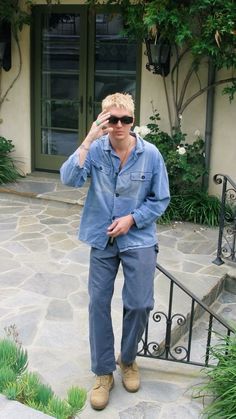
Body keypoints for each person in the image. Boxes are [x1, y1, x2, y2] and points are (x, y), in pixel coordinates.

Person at [60, 93, 170, 410]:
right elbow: (69, 179)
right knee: (97, 303)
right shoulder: (95, 150)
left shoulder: (150, 155)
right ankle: (103, 372)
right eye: (112, 119)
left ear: (133, 121)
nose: (119, 125)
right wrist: (89, 137)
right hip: (101, 236)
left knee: (139, 303)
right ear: (104, 119)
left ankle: (129, 359)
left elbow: (160, 199)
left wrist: (132, 219)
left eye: (125, 119)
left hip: (138, 237)